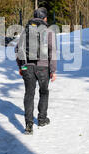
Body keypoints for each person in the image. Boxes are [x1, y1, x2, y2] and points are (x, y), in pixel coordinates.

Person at [15, 7, 57, 135]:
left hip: (27, 66)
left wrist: (20, 66)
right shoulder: (48, 32)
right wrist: (53, 70)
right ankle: (42, 119)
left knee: (29, 94)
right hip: (43, 67)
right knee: (43, 92)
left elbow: (17, 49)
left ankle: (29, 125)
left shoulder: (25, 31)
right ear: (44, 18)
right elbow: (52, 51)